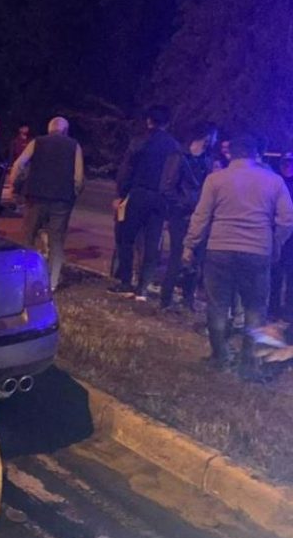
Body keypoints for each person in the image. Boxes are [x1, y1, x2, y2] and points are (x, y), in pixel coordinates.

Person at [183, 134, 293, 380]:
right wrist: (274, 243)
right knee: (255, 308)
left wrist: (190, 245)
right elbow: (287, 220)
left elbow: (201, 216)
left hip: (219, 250)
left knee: (218, 305)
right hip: (257, 251)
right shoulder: (274, 181)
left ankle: (220, 357)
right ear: (255, 154)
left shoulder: (215, 179)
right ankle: (249, 365)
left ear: (230, 153)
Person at [108, 105, 181, 301]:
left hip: (137, 194)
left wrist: (121, 193)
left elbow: (126, 170)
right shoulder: (174, 146)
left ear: (149, 121)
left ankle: (125, 282)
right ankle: (143, 287)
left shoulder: (139, 141)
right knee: (151, 243)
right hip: (159, 199)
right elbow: (174, 176)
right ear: (167, 123)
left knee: (126, 239)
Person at [9, 116, 84, 291]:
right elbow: (79, 177)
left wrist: (15, 185)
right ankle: (52, 282)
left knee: (29, 237)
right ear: (65, 131)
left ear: (49, 129)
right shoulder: (74, 146)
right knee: (56, 241)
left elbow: (19, 164)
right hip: (61, 201)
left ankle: (27, 277)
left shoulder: (37, 142)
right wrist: (73, 194)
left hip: (35, 197)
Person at [159, 122, 217, 311]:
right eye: (214, 136)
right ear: (206, 136)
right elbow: (167, 187)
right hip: (181, 214)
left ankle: (188, 299)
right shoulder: (179, 156)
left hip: (199, 214)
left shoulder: (207, 159)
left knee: (197, 258)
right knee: (178, 255)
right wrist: (185, 204)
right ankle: (166, 298)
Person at [270, 153, 293, 319]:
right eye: (285, 162)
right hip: (278, 233)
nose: (288, 166)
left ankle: (289, 310)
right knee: (275, 273)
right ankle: (273, 308)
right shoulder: (276, 182)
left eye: (290, 163)